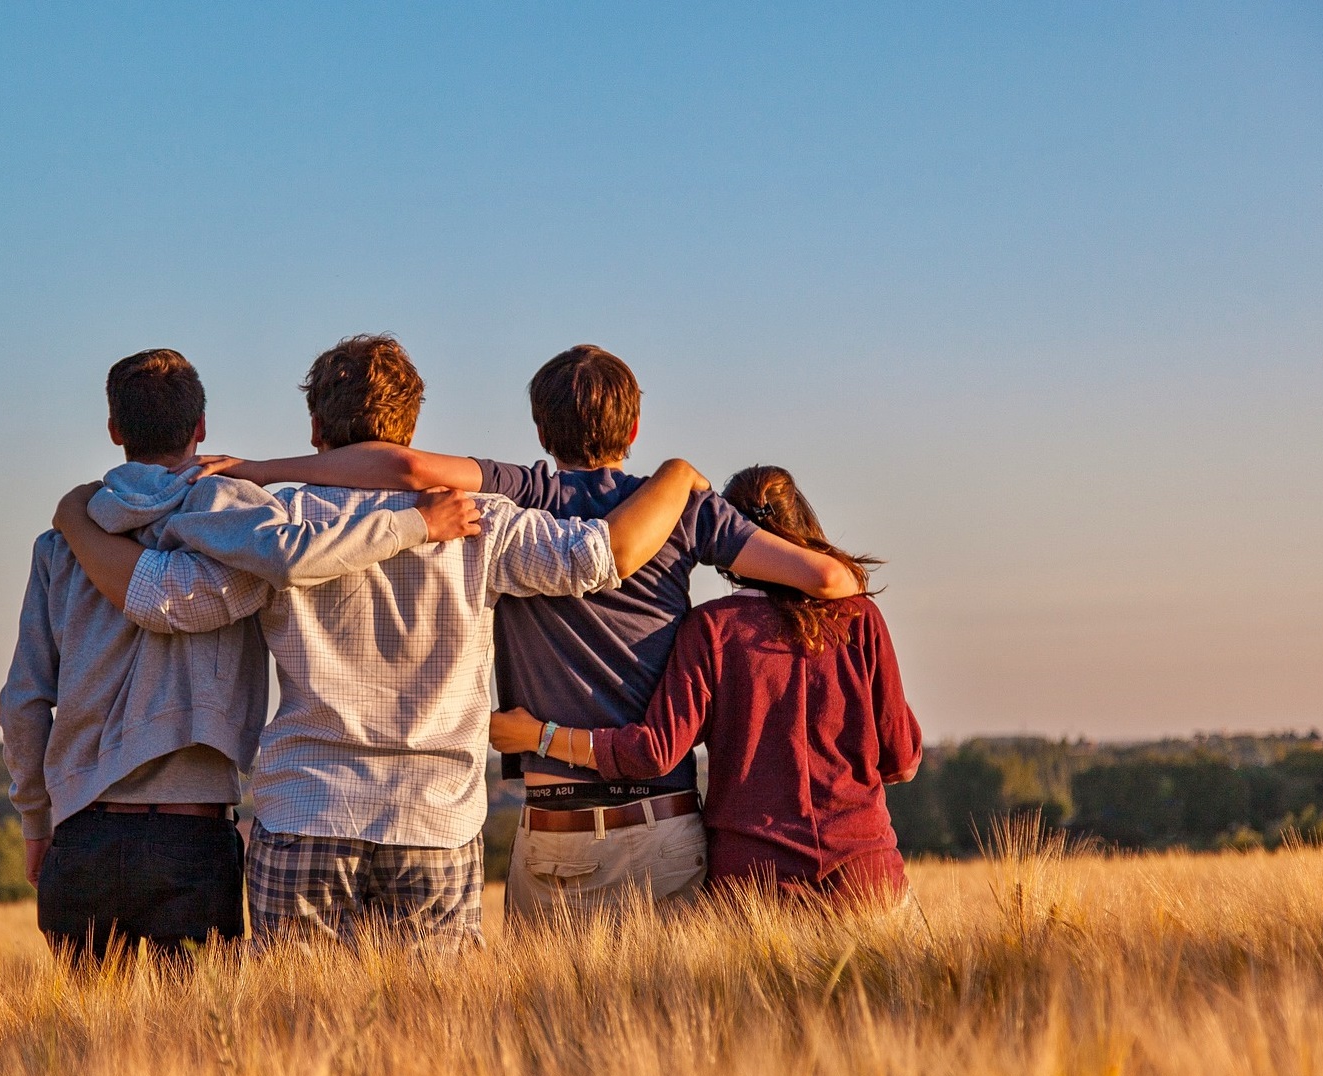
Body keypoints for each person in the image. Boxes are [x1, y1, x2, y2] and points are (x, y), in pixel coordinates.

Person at [52, 335, 706, 949]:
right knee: (433, 1037)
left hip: (306, 811)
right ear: (412, 428)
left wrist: (76, 521)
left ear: (316, 431)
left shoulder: (278, 524)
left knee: (295, 1034)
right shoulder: (482, 522)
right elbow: (600, 557)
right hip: (435, 821)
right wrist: (676, 475)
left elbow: (164, 600)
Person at [183, 346, 860, 919]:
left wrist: (259, 471)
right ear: (635, 425)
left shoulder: (525, 492)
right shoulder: (677, 509)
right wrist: (682, 478)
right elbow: (826, 581)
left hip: (540, 822)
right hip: (650, 818)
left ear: (540, 429)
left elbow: (407, 470)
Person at [0, 347, 481, 965]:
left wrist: (37, 820)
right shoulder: (242, 522)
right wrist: (414, 523)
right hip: (193, 835)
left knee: (87, 1049)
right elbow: (296, 557)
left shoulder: (62, 543)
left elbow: (24, 700)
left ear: (115, 430)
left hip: (82, 831)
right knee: (202, 1044)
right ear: (200, 428)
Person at [489, 465, 923, 906]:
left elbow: (653, 752)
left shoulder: (712, 629)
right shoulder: (859, 618)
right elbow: (901, 761)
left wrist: (538, 736)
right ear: (803, 525)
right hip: (866, 876)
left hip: (754, 887)